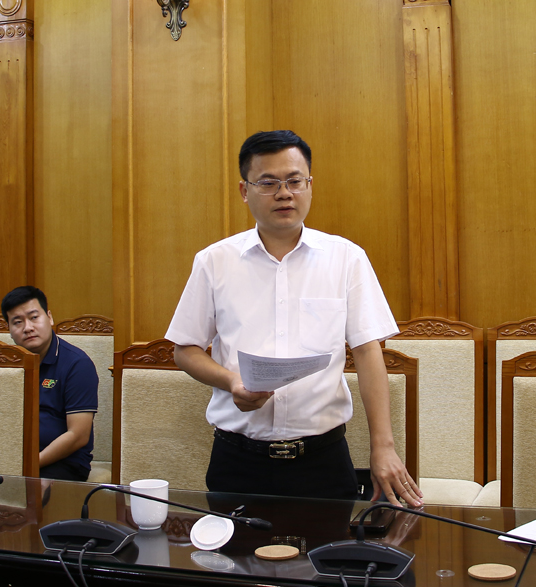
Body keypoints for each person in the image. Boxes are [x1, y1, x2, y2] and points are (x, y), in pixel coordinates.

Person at [166, 130, 423, 506]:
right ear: (244, 190)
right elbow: (185, 350)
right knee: (235, 547)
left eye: (294, 181)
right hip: (238, 461)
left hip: (322, 461)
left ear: (310, 186)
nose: (284, 193)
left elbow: (369, 353)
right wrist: (231, 381)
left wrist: (383, 448)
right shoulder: (214, 261)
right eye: (268, 183)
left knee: (327, 547)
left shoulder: (346, 258)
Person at [2, 286, 98, 481]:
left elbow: (78, 435)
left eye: (34, 317)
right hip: (12, 458)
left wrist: (28, 465)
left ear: (50, 318)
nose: (27, 328)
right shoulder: (5, 364)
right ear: (9, 330)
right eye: (17, 322)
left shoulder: (77, 364)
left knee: (30, 492)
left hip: (63, 462)